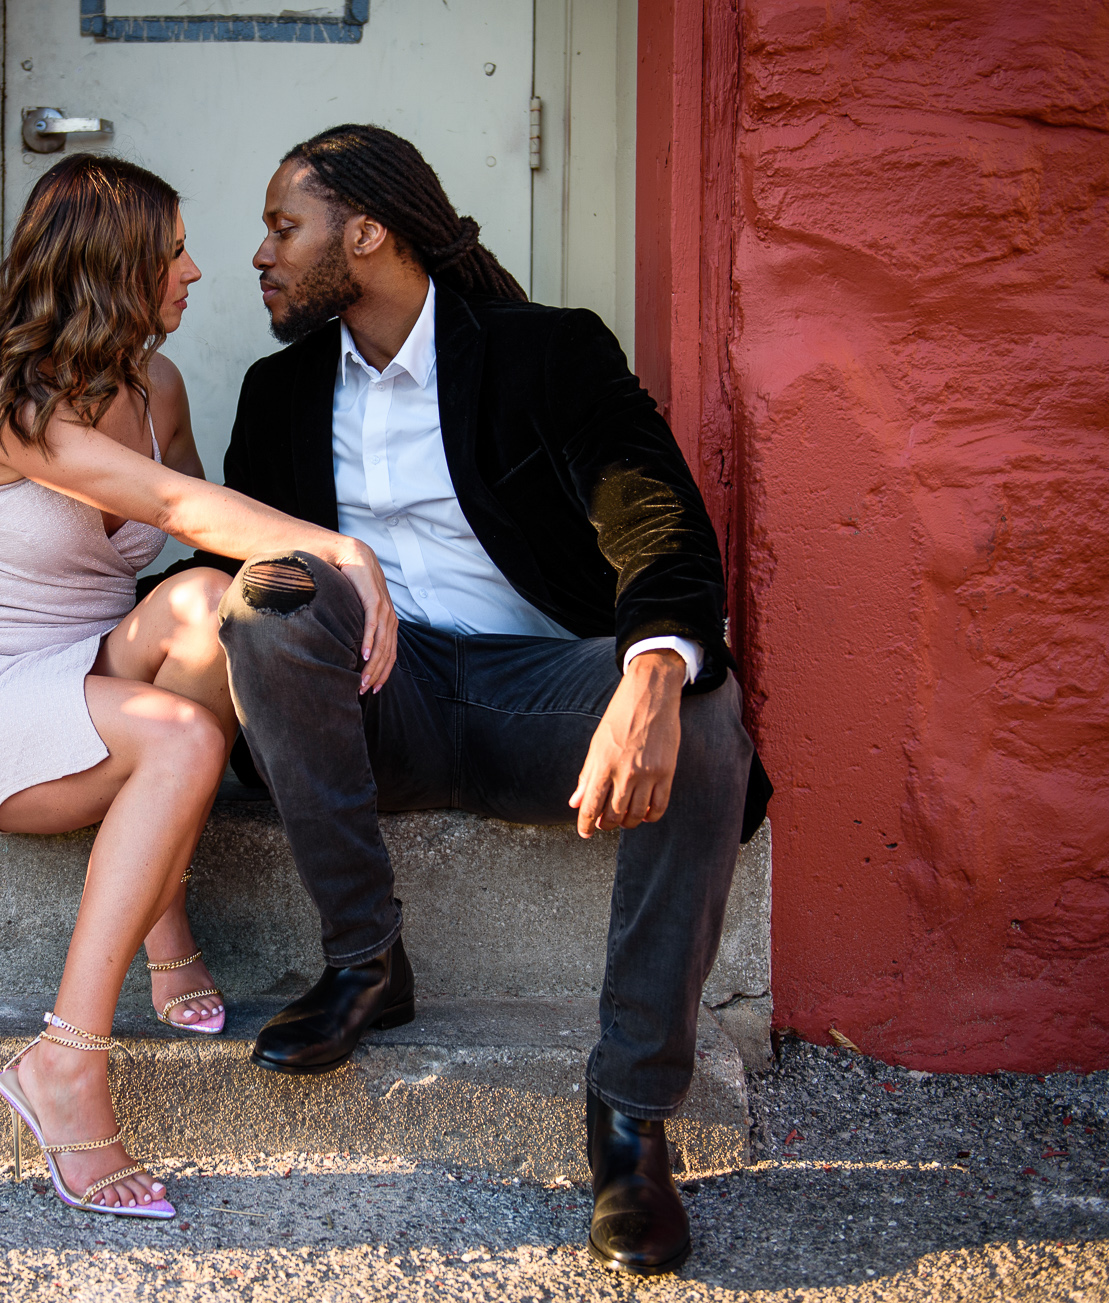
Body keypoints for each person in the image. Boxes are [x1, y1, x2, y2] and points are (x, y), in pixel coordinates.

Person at [175, 125, 770, 1272]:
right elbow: (229, 555)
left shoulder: (547, 353)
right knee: (261, 602)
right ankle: (364, 961)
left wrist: (648, 674)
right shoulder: (280, 391)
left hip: (534, 702)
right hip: (379, 708)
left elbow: (658, 525)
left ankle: (631, 1121)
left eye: (280, 227)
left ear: (366, 233)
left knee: (700, 710)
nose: (260, 254)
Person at [0, 154, 397, 1221]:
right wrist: (346, 553)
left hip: (84, 669)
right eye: (172, 251)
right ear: (110, 266)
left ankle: (159, 914)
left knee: (212, 603)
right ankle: (66, 1059)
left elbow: (187, 543)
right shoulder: (2, 403)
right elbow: (172, 501)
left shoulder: (153, 388)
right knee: (177, 737)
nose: (198, 271)